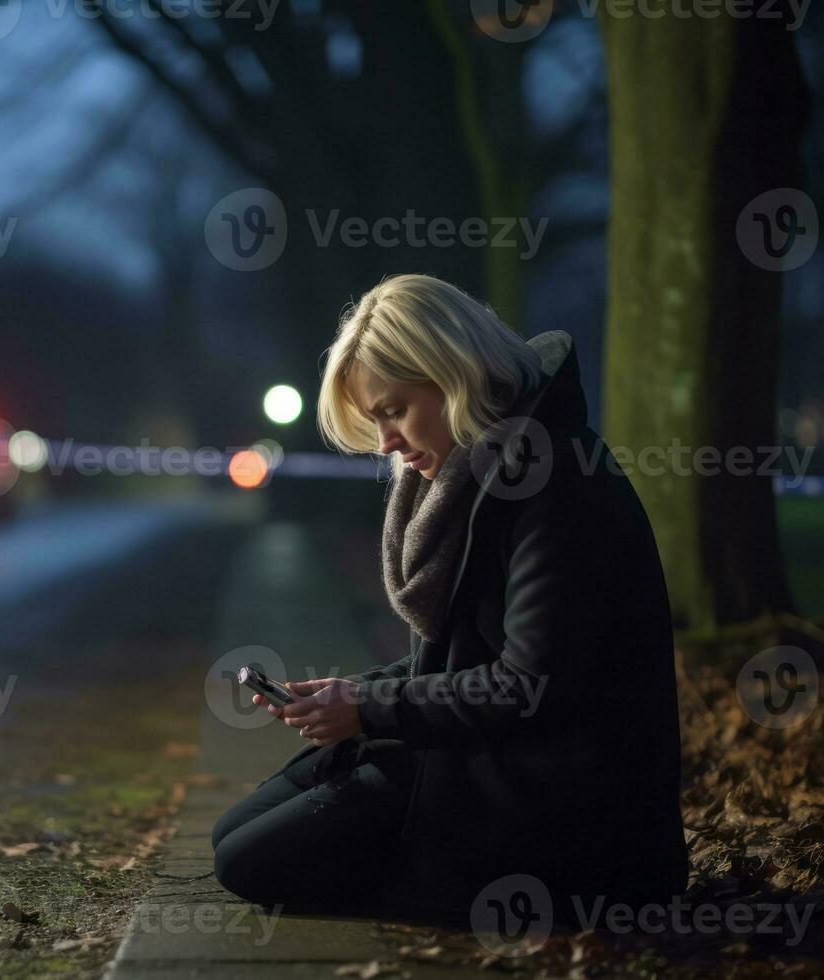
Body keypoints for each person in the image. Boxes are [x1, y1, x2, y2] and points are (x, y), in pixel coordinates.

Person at [211, 274, 689, 924]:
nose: (384, 443)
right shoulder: (477, 473)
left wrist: (370, 709)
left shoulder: (555, 484)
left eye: (393, 410)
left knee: (248, 861)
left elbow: (527, 687)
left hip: (560, 813)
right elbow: (469, 656)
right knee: (232, 835)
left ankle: (435, 879)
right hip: (480, 760)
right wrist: (354, 692)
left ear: (454, 375)